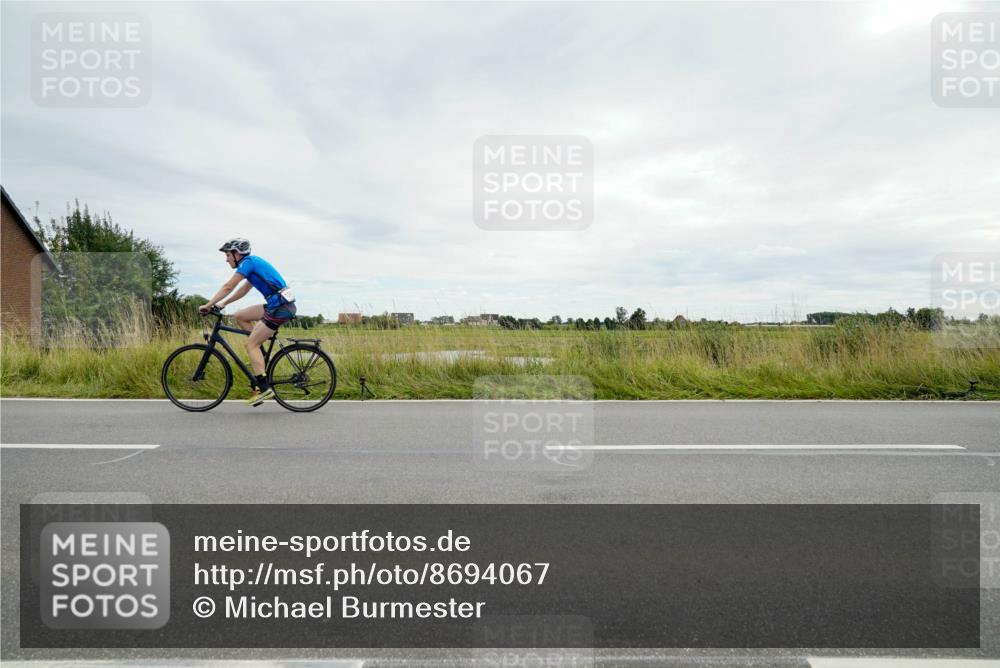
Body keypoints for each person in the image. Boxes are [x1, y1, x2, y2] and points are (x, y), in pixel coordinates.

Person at [199, 238, 296, 405]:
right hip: (278, 305)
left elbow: (228, 286)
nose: (227, 259)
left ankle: (264, 389)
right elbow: (243, 290)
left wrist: (208, 305)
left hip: (279, 307)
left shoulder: (248, 263)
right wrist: (223, 303)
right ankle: (260, 358)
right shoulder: (252, 265)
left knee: (251, 345)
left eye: (228, 255)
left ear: (237, 254)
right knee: (240, 316)